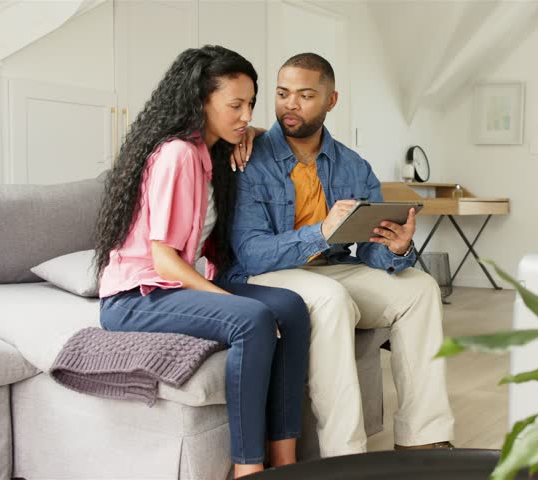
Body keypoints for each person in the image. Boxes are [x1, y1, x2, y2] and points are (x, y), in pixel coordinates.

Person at [93, 45, 310, 478]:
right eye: (235, 105)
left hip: (175, 286)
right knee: (252, 319)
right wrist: (232, 306)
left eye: (250, 103)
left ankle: (286, 460)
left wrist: (247, 131)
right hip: (138, 297)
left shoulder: (212, 152)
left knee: (291, 307)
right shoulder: (178, 154)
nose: (245, 114)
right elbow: (166, 261)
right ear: (200, 101)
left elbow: (251, 131)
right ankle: (248, 468)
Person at [227, 52, 455, 457]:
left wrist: (396, 248)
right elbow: (250, 252)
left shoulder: (353, 166)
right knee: (331, 300)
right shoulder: (249, 156)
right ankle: (344, 454)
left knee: (419, 287)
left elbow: (369, 247)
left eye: (304, 95)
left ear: (331, 101)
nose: (290, 105)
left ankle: (424, 439)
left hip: (328, 269)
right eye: (282, 94)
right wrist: (321, 231)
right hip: (264, 275)